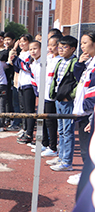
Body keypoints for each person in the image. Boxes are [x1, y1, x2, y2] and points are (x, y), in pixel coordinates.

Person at [47, 35, 79, 171]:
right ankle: (61, 157)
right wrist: (53, 94)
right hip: (58, 99)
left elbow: (79, 83)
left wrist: (69, 96)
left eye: (64, 47)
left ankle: (67, 162)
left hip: (67, 101)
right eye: (60, 47)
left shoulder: (75, 63)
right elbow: (56, 80)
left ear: (73, 49)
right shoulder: (60, 61)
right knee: (61, 130)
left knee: (68, 131)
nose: (60, 50)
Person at [68, 31, 95, 184]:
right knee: (86, 147)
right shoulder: (90, 62)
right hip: (84, 111)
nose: (82, 46)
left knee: (87, 148)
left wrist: (92, 118)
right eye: (82, 43)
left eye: (85, 42)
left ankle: (88, 177)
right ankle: (87, 174)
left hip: (89, 113)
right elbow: (79, 80)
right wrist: (79, 64)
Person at [9, 36, 39, 145]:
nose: (22, 44)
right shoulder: (21, 53)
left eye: (24, 41)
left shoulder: (30, 55)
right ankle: (25, 129)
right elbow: (17, 68)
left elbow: (26, 66)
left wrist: (16, 60)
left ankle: (30, 133)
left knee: (29, 110)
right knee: (23, 109)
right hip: (21, 84)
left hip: (29, 84)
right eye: (20, 42)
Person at [39, 35, 62, 159]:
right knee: (43, 119)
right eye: (49, 45)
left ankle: (53, 147)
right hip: (44, 93)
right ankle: (45, 143)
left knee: (51, 121)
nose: (51, 47)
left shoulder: (60, 60)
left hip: (52, 95)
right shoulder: (48, 58)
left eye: (54, 45)